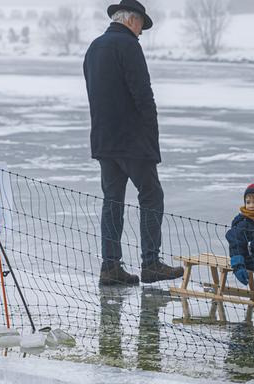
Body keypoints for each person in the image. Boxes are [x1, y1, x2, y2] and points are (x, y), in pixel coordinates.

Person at [84, 0, 183, 286]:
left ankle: (110, 266)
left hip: (104, 139)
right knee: (152, 196)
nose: (141, 32)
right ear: (130, 20)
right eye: (141, 25)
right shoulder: (128, 46)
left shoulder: (94, 48)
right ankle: (151, 262)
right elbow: (143, 94)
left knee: (112, 201)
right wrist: (151, 137)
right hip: (133, 141)